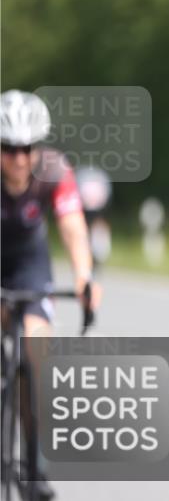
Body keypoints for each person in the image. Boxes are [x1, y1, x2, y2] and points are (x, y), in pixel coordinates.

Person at [0, 90, 103, 500]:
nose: (19, 159)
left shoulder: (55, 171)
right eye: (8, 149)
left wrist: (84, 276)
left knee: (35, 355)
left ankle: (33, 468)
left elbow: (74, 227)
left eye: (27, 148)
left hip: (30, 265)